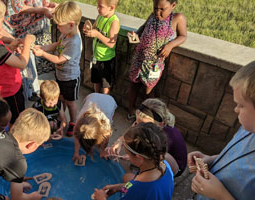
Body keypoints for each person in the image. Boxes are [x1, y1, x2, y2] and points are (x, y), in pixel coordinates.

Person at [189, 63, 255, 200]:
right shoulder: (248, 128)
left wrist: (221, 196)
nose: (235, 109)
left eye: (241, 105)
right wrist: (211, 159)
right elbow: (236, 155)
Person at [127, 0, 187, 121]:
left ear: (173, 5)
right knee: (134, 85)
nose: (157, 12)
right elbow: (143, 27)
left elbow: (183, 36)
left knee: (149, 90)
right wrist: (136, 34)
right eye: (155, 8)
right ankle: (131, 109)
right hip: (139, 58)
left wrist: (170, 45)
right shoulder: (152, 15)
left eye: (162, 9)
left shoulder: (177, 18)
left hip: (154, 63)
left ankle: (147, 116)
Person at [33, 1, 82, 136]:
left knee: (70, 102)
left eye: (59, 25)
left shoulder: (74, 42)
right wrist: (43, 48)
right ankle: (61, 117)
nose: (57, 27)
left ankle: (73, 122)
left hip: (70, 78)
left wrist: (43, 54)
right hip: (61, 75)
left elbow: (59, 59)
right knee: (60, 99)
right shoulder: (66, 33)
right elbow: (57, 44)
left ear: (71, 24)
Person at [93, 123, 174, 200]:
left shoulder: (137, 191)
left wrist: (101, 198)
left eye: (127, 153)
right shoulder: (163, 165)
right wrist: (121, 187)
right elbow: (133, 185)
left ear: (139, 157)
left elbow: (136, 190)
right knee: (127, 177)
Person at [3, 0, 57, 101]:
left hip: (24, 26)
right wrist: (42, 10)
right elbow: (17, 6)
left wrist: (48, 5)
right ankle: (26, 91)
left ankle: (32, 90)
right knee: (20, 58)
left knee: (26, 56)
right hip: (12, 26)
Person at [83, 0, 119, 94]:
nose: (97, 8)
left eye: (101, 6)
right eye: (97, 6)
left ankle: (104, 100)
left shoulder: (114, 22)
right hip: (96, 57)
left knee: (105, 83)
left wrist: (98, 35)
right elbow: (93, 29)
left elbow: (112, 43)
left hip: (106, 59)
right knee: (96, 79)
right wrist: (88, 30)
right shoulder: (100, 16)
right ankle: (96, 95)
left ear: (111, 7)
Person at [73, 93, 117, 162]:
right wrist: (76, 152)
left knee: (104, 138)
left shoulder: (106, 124)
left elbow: (106, 138)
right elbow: (76, 135)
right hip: (92, 97)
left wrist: (103, 151)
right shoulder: (79, 120)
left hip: (109, 101)